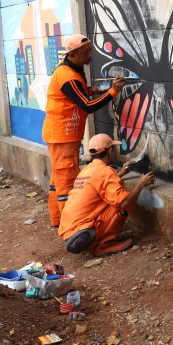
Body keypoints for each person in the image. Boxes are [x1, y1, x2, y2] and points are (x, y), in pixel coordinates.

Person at [42, 34, 125, 227]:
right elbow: (87, 105)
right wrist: (113, 91)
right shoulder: (67, 75)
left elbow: (81, 91)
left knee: (58, 178)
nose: (90, 56)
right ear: (72, 55)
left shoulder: (72, 70)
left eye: (89, 51)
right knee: (67, 180)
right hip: (62, 135)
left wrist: (99, 88)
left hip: (62, 134)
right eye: (85, 53)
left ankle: (58, 220)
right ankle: (70, 226)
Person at [59, 134, 155, 257]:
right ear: (110, 151)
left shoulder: (88, 170)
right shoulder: (105, 172)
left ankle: (95, 242)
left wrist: (122, 173)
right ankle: (103, 245)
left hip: (71, 234)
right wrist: (140, 184)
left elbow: (99, 183)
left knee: (115, 197)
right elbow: (124, 202)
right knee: (126, 199)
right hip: (81, 236)